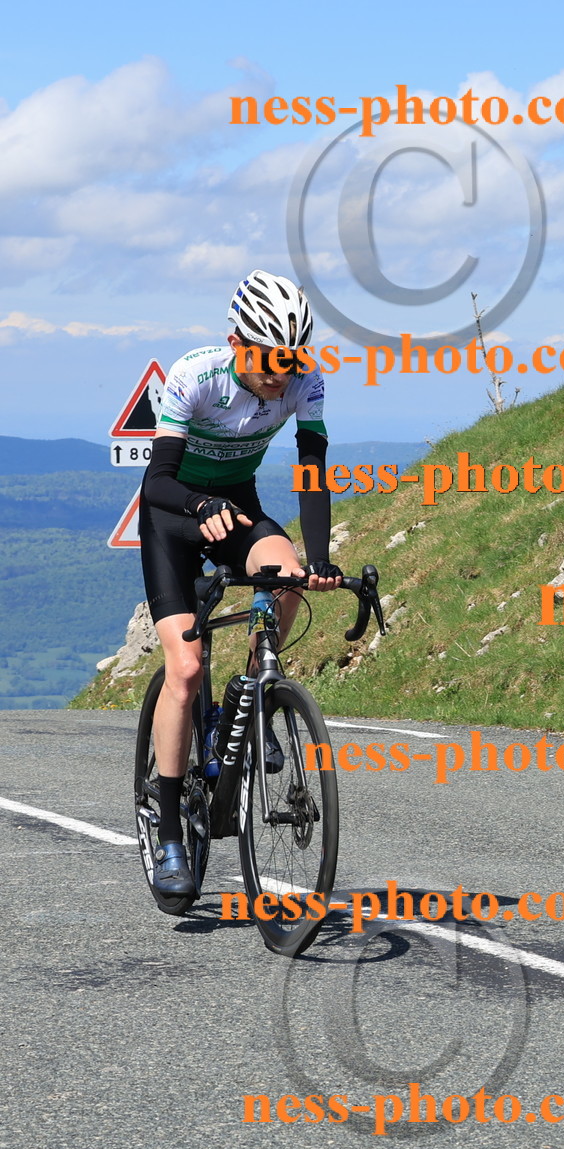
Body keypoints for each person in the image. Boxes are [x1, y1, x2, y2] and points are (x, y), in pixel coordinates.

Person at [139, 271, 343, 898]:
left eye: (291, 361)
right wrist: (199, 508)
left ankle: (246, 705)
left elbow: (312, 474)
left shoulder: (307, 380)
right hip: (175, 517)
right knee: (187, 671)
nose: (280, 377)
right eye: (266, 361)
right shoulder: (195, 376)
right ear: (236, 341)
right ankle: (170, 831)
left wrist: (317, 558)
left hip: (240, 508)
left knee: (287, 581)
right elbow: (157, 482)